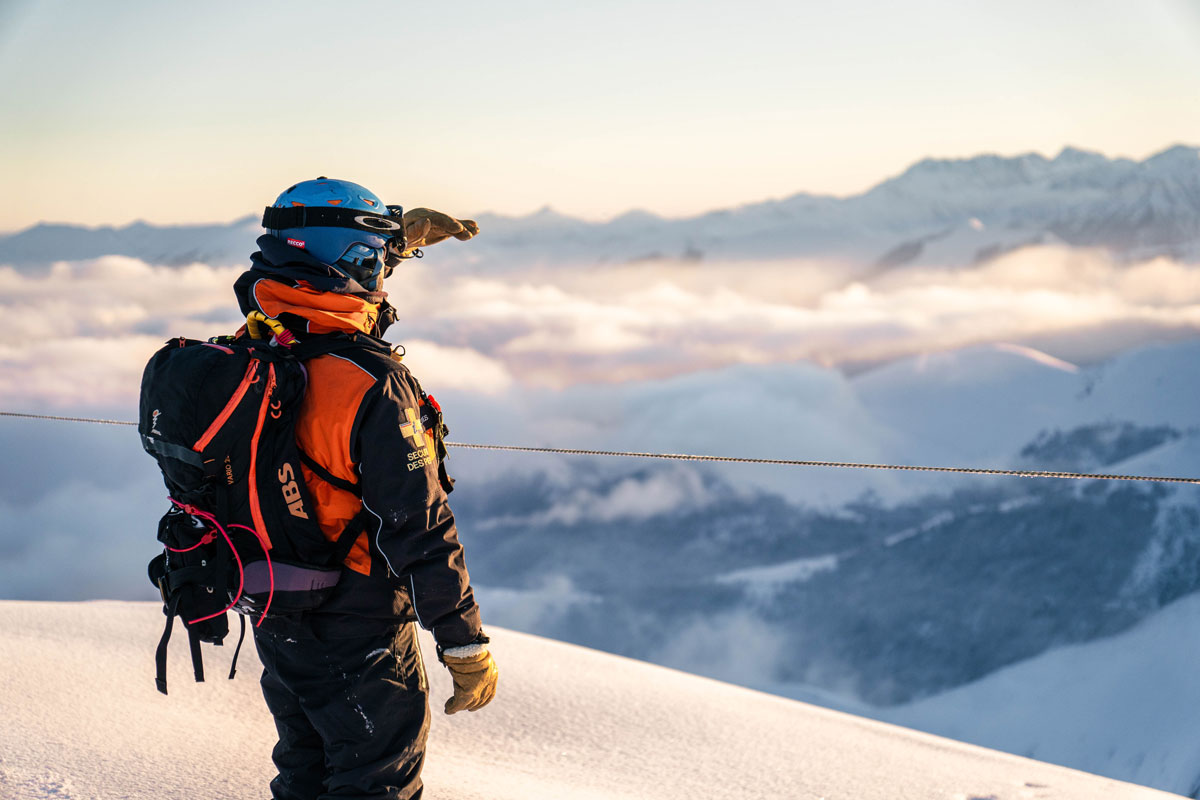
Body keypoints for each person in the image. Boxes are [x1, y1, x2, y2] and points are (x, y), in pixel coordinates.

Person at [232, 177, 497, 800]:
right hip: (359, 623)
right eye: (372, 258)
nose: (380, 271)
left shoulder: (258, 343)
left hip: (275, 607)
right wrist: (462, 641)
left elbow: (303, 289)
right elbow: (419, 525)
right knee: (375, 784)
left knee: (307, 771)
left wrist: (388, 247)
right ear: (352, 262)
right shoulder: (372, 385)